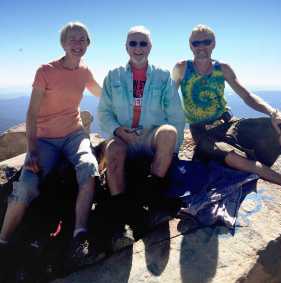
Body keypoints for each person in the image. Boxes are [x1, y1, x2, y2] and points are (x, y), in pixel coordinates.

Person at [0, 21, 102, 278]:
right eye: (73, 39)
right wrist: (32, 150)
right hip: (44, 140)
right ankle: (3, 241)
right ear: (64, 44)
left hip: (74, 135)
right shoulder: (45, 71)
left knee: (89, 168)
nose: (78, 44)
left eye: (82, 40)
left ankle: (79, 233)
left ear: (88, 44)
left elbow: (105, 94)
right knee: (27, 185)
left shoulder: (85, 71)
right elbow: (31, 113)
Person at [172, 24, 281, 205]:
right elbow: (168, 99)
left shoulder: (222, 68)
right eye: (196, 43)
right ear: (190, 45)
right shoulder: (182, 68)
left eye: (206, 41)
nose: (201, 46)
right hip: (202, 133)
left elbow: (246, 95)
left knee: (280, 126)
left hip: (229, 123)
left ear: (213, 43)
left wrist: (273, 112)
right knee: (232, 157)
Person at [98, 26, 185, 238]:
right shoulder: (113, 76)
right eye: (133, 43)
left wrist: (173, 152)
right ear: (126, 46)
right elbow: (104, 112)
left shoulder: (163, 76)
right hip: (123, 137)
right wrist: (117, 131)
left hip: (150, 137)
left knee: (169, 132)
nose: (138, 48)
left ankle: (150, 197)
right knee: (114, 149)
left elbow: (176, 114)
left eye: (143, 43)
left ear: (150, 46)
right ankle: (121, 209)